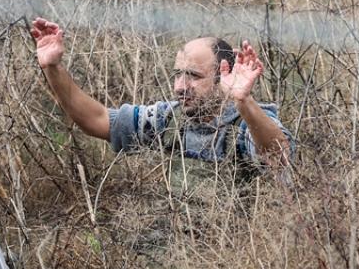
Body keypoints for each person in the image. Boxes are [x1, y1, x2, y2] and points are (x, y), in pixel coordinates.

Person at [31, 18, 293, 223]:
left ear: (224, 75)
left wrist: (243, 101)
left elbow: (278, 154)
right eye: (177, 75)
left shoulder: (248, 121)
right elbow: (97, 119)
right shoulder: (168, 118)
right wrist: (52, 68)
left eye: (193, 75)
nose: (181, 86)